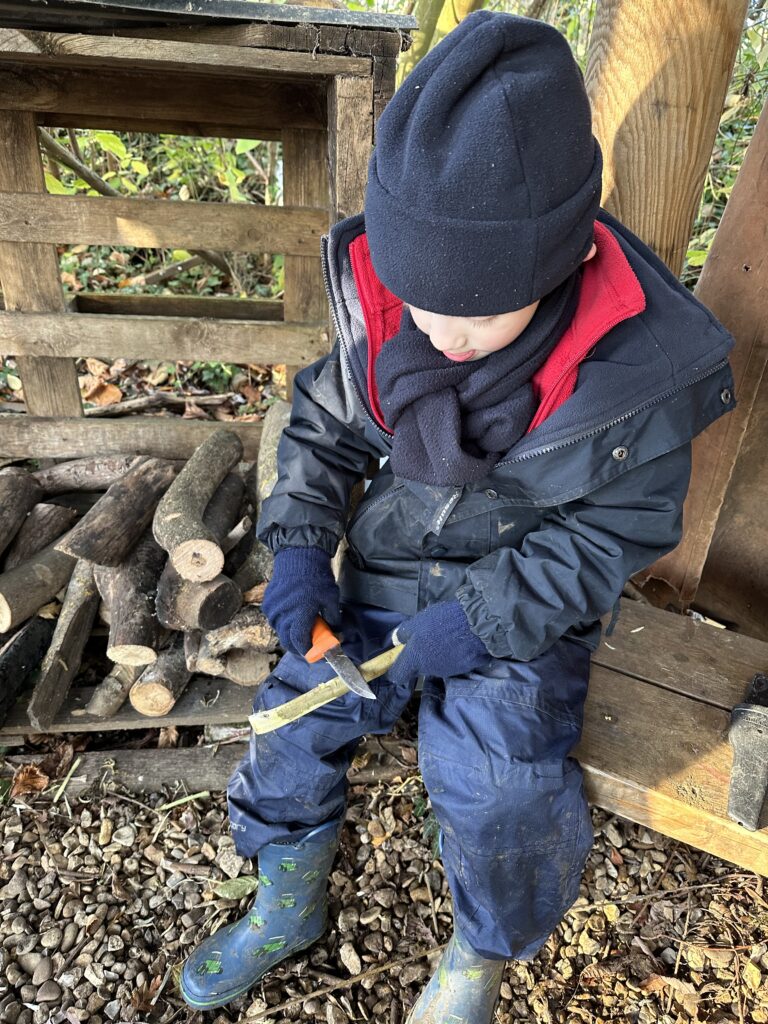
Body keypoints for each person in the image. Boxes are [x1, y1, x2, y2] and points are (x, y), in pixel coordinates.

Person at [180, 10, 736, 1020]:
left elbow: (610, 539)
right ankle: (287, 897)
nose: (436, 331)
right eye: (417, 300)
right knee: (289, 722)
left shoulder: (627, 374)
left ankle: (480, 952)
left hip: (521, 613)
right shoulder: (397, 309)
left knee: (495, 783)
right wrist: (302, 547)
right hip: (389, 579)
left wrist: (478, 622)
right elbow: (318, 433)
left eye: (472, 314)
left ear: (558, 264)